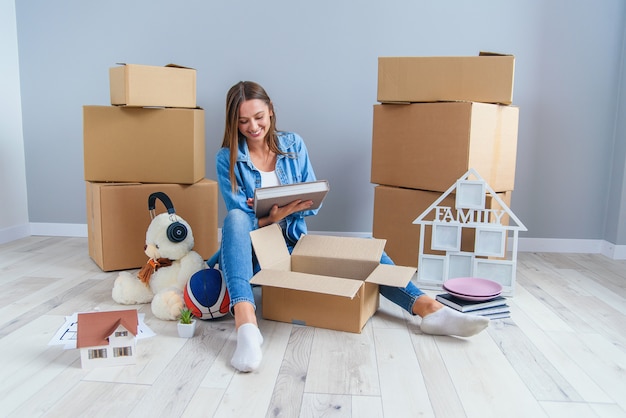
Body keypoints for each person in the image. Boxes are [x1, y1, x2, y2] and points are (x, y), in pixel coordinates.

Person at [216, 81, 489, 373]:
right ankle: (246, 326)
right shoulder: (227, 159)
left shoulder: (293, 144)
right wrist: (272, 218)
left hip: (294, 243)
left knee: (366, 250)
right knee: (234, 219)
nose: (253, 127)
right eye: (243, 121)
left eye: (259, 117)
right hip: (254, 252)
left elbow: (314, 201)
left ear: (270, 111)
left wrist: (291, 207)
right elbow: (240, 222)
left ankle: (429, 310)